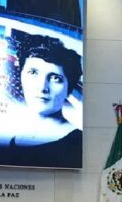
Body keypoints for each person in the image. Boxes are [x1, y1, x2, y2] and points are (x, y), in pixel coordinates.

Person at [6, 31, 82, 167]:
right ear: (21, 76)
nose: (42, 87)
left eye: (55, 78)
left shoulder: (78, 143)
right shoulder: (16, 139)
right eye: (33, 72)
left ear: (68, 88)